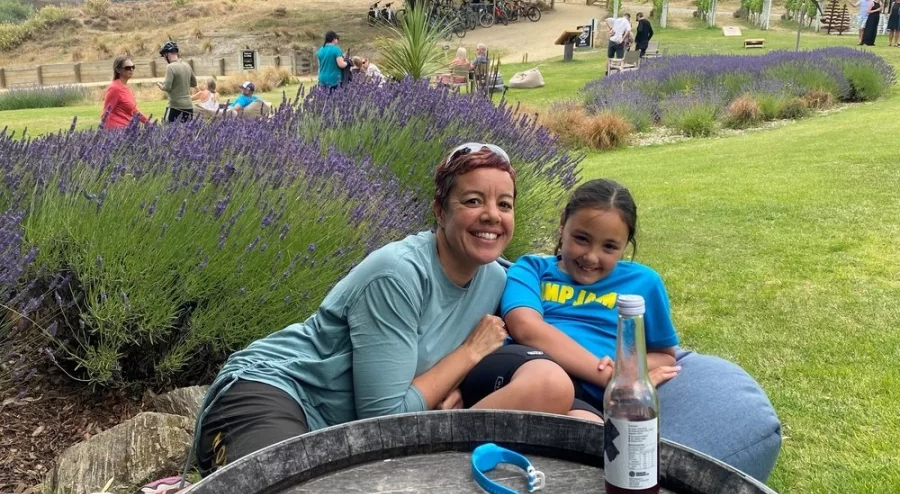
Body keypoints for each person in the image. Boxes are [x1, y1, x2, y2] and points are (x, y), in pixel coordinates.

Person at [191, 143, 575, 476]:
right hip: (278, 389)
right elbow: (385, 421)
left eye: (504, 204)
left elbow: (572, 297)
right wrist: (470, 353)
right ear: (440, 211)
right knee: (274, 480)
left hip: (341, 432)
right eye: (473, 201)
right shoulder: (397, 274)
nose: (492, 215)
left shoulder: (496, 276)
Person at [461, 179, 782, 482]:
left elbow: (662, 357)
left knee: (595, 441)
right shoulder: (532, 267)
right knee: (550, 383)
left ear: (626, 244)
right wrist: (609, 377)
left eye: (610, 246)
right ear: (563, 223)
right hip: (522, 366)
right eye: (581, 238)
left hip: (582, 396)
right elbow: (526, 327)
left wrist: (630, 373)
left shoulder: (644, 283)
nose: (591, 256)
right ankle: (450, 447)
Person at [102, 56, 149, 129]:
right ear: (118, 70)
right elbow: (106, 113)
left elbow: (133, 110)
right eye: (127, 68)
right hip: (116, 131)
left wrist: (148, 122)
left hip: (128, 129)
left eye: (133, 67)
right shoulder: (114, 88)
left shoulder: (127, 88)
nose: (131, 69)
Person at [156, 41, 197, 123]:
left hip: (174, 106)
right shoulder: (187, 65)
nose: (164, 58)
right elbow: (194, 83)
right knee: (187, 132)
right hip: (188, 106)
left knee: (166, 130)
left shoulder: (170, 67)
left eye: (164, 55)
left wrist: (160, 85)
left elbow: (167, 87)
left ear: (168, 54)